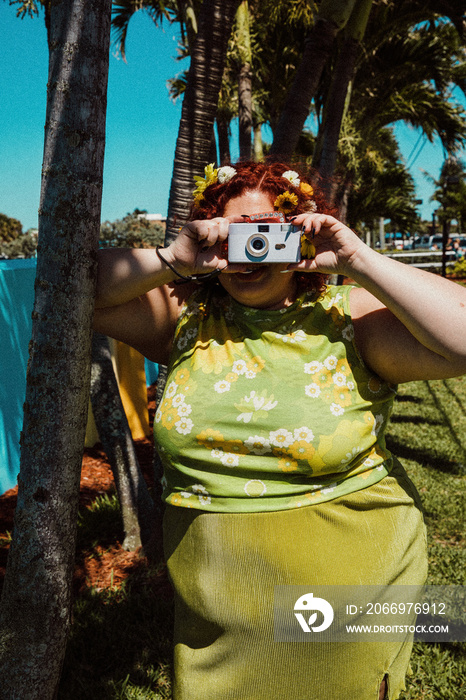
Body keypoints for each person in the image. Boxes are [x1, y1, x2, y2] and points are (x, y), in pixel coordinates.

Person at [94, 161, 466, 700]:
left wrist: (358, 260)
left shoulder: (346, 319)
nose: (252, 249)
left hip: (343, 592)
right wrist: (174, 260)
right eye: (235, 233)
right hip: (213, 608)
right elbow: (66, 288)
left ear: (302, 235)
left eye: (268, 231)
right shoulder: (185, 320)